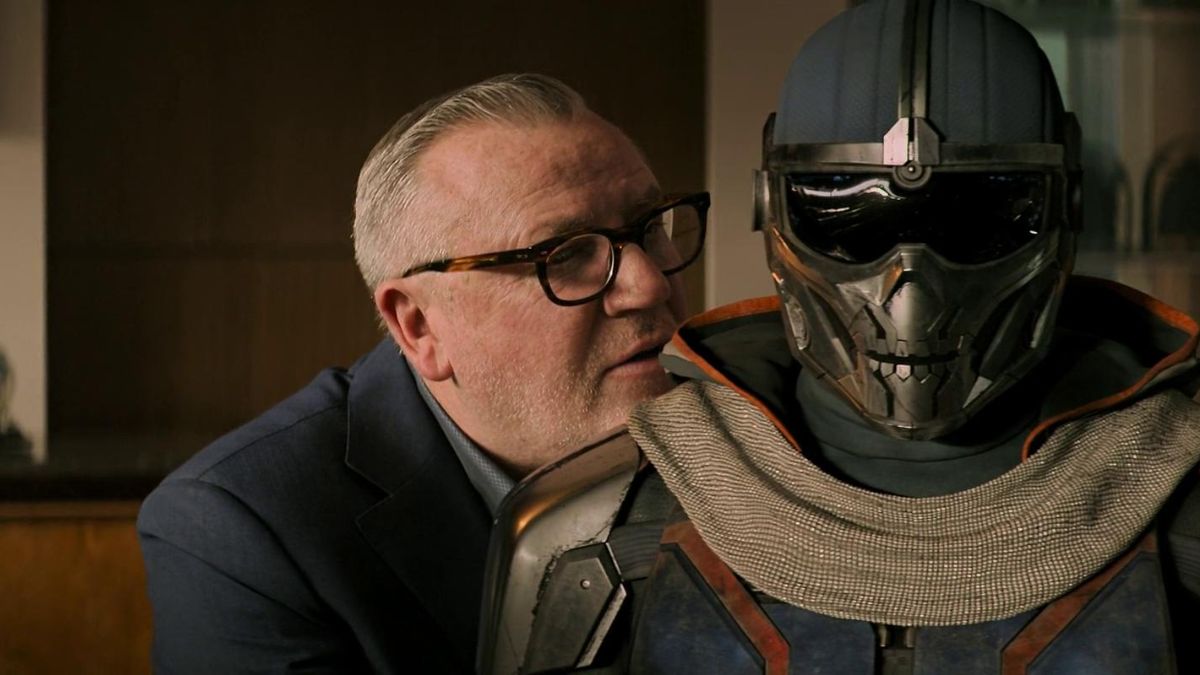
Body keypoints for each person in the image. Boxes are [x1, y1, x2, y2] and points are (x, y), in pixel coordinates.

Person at [478, 2, 1200, 673]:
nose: (911, 290)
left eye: (972, 221)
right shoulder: (595, 529)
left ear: (1065, 206)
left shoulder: (1178, 494)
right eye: (852, 220)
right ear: (773, 207)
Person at [136, 73, 706, 673]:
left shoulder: (745, 433)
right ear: (420, 326)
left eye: (650, 228)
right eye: (565, 255)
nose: (649, 285)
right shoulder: (239, 530)